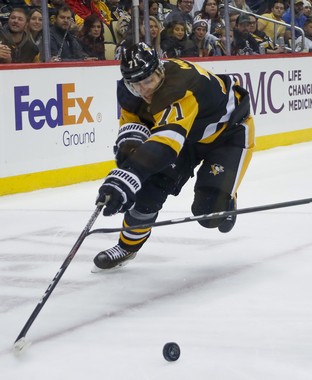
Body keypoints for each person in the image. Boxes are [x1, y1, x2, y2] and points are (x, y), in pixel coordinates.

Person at [92, 42, 255, 271]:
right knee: (148, 190)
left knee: (209, 215)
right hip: (186, 138)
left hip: (228, 134)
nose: (144, 90)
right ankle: (127, 247)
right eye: (136, 85)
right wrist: (127, 165)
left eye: (148, 81)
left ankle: (228, 195)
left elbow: (166, 144)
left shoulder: (180, 86)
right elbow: (132, 131)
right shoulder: (130, 93)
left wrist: (129, 175)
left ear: (160, 70)